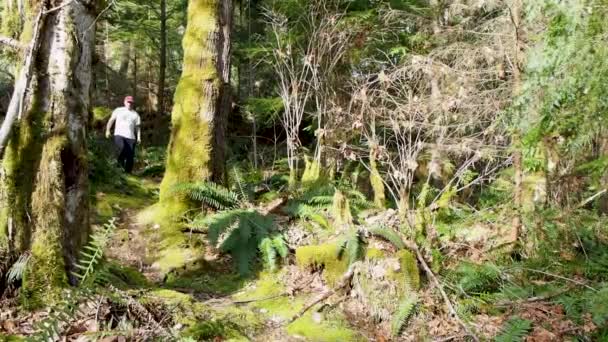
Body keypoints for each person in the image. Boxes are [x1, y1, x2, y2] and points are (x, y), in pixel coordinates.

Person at [106, 96, 141, 173]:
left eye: (131, 102)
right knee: (121, 149)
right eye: (128, 102)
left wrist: (138, 137)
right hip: (119, 134)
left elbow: (138, 127)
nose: (130, 104)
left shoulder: (136, 114)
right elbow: (111, 120)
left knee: (130, 156)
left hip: (131, 137)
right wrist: (107, 130)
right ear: (124, 102)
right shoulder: (118, 110)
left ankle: (128, 172)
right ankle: (119, 168)